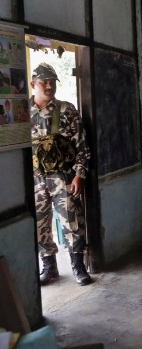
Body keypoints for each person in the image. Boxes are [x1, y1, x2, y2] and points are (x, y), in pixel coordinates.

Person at [30, 63, 92, 285]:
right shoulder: (21, 113)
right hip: (35, 179)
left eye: (52, 82)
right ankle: (49, 266)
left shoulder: (66, 110)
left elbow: (82, 145)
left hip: (63, 178)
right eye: (44, 81)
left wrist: (79, 174)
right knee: (39, 224)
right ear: (32, 84)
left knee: (72, 221)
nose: (49, 85)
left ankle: (78, 265)